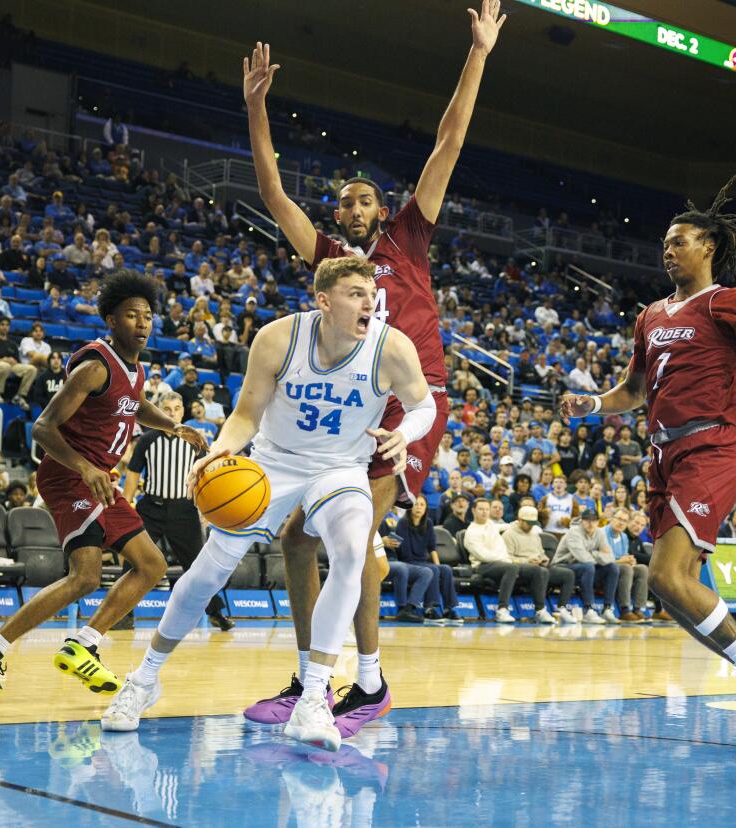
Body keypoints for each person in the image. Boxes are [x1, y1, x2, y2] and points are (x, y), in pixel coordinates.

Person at [240, 1, 505, 737]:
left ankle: (350, 684)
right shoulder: (328, 261)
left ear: (381, 210)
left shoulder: (410, 236)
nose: (349, 206)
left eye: (362, 199)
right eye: (343, 200)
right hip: (351, 408)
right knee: (302, 539)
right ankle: (326, 677)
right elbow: (272, 193)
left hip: (411, 404)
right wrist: (257, 108)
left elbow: (449, 139)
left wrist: (478, 52)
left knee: (346, 542)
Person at [105, 256, 435, 750]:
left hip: (341, 468)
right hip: (274, 461)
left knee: (350, 550)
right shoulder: (279, 337)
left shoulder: (391, 348)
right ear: (323, 301)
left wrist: (403, 434)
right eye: (354, 293)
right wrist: (220, 450)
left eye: (371, 293)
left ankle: (314, 700)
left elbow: (424, 405)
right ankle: (144, 680)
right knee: (209, 569)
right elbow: (246, 414)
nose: (368, 302)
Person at [560, 178, 736, 754]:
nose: (668, 249)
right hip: (662, 454)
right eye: (665, 242)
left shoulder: (731, 301)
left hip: (709, 448)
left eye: (680, 241)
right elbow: (634, 390)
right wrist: (593, 404)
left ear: (709, 249)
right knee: (670, 589)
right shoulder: (650, 314)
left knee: (669, 577)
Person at [0, 271, 209, 698]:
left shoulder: (136, 369)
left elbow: (134, 405)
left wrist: (171, 426)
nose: (143, 323)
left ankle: (84, 644)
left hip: (98, 478)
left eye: (148, 316)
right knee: (85, 575)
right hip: (70, 474)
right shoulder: (94, 367)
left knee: (152, 565)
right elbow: (43, 428)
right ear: (111, 320)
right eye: (132, 315)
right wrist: (84, 467)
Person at [122, 392, 231, 631]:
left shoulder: (195, 441)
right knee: (134, 561)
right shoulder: (147, 440)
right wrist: (126, 504)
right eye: (167, 409)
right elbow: (132, 474)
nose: (172, 413)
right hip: (151, 508)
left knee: (199, 565)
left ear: (183, 411)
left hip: (184, 511)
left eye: (176, 408)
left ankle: (216, 613)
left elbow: (205, 477)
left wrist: (206, 514)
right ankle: (122, 615)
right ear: (159, 411)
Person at [501, 503, 570, 623]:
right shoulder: (509, 535)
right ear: (520, 520)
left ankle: (561, 609)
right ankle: (540, 610)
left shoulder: (535, 534)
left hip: (538, 566)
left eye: (533, 523)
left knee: (567, 574)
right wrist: (527, 561)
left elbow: (540, 552)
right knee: (540, 571)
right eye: (529, 523)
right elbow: (506, 558)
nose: (531, 526)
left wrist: (544, 559)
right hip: (519, 568)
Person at [553, 508, 620, 624]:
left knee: (612, 568)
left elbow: (610, 557)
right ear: (581, 521)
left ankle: (607, 609)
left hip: (584, 567)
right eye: (587, 520)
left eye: (594, 520)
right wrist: (599, 555)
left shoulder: (600, 533)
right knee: (588, 567)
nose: (591, 523)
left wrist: (594, 554)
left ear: (598, 522)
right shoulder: (573, 532)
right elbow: (583, 558)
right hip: (562, 566)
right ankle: (588, 610)